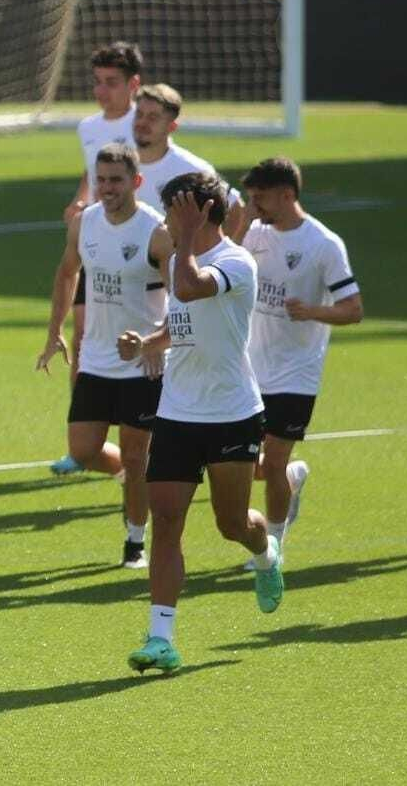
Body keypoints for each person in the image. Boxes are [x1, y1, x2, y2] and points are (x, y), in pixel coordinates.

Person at [119, 173, 283, 675]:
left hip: (231, 414)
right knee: (167, 520)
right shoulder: (178, 259)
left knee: (231, 524)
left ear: (198, 212)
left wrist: (187, 238)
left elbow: (190, 290)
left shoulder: (235, 261)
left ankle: (266, 551)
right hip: (177, 413)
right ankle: (161, 638)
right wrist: (150, 343)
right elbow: (182, 321)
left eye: (173, 211)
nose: (165, 221)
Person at [36, 143, 172, 569]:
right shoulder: (84, 223)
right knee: (82, 451)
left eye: (116, 180)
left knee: (135, 456)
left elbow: (183, 298)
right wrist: (55, 332)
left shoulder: (156, 232)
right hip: (95, 360)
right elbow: (67, 273)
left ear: (136, 182)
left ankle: (135, 539)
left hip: (142, 365)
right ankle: (134, 485)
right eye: (101, 180)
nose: (107, 188)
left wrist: (155, 342)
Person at [241, 157, 362, 563]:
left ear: (287, 194)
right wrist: (242, 222)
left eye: (260, 198)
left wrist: (312, 311)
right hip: (250, 368)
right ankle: (293, 480)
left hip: (297, 373)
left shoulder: (324, 244)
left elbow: (353, 309)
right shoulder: (253, 233)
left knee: (273, 463)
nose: (254, 206)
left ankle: (272, 547)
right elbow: (224, 263)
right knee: (249, 467)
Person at [52, 41, 144, 475]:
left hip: (138, 250)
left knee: (138, 341)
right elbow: (93, 174)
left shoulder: (143, 124)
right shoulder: (88, 127)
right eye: (98, 82)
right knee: (84, 339)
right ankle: (88, 441)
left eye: (112, 82)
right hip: (98, 243)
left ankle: (140, 444)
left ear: (133, 85)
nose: (102, 91)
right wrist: (80, 199)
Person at [131, 83, 245, 237]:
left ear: (171, 127)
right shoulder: (119, 165)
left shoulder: (192, 169)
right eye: (139, 114)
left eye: (153, 118)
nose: (142, 123)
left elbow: (236, 208)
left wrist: (216, 250)